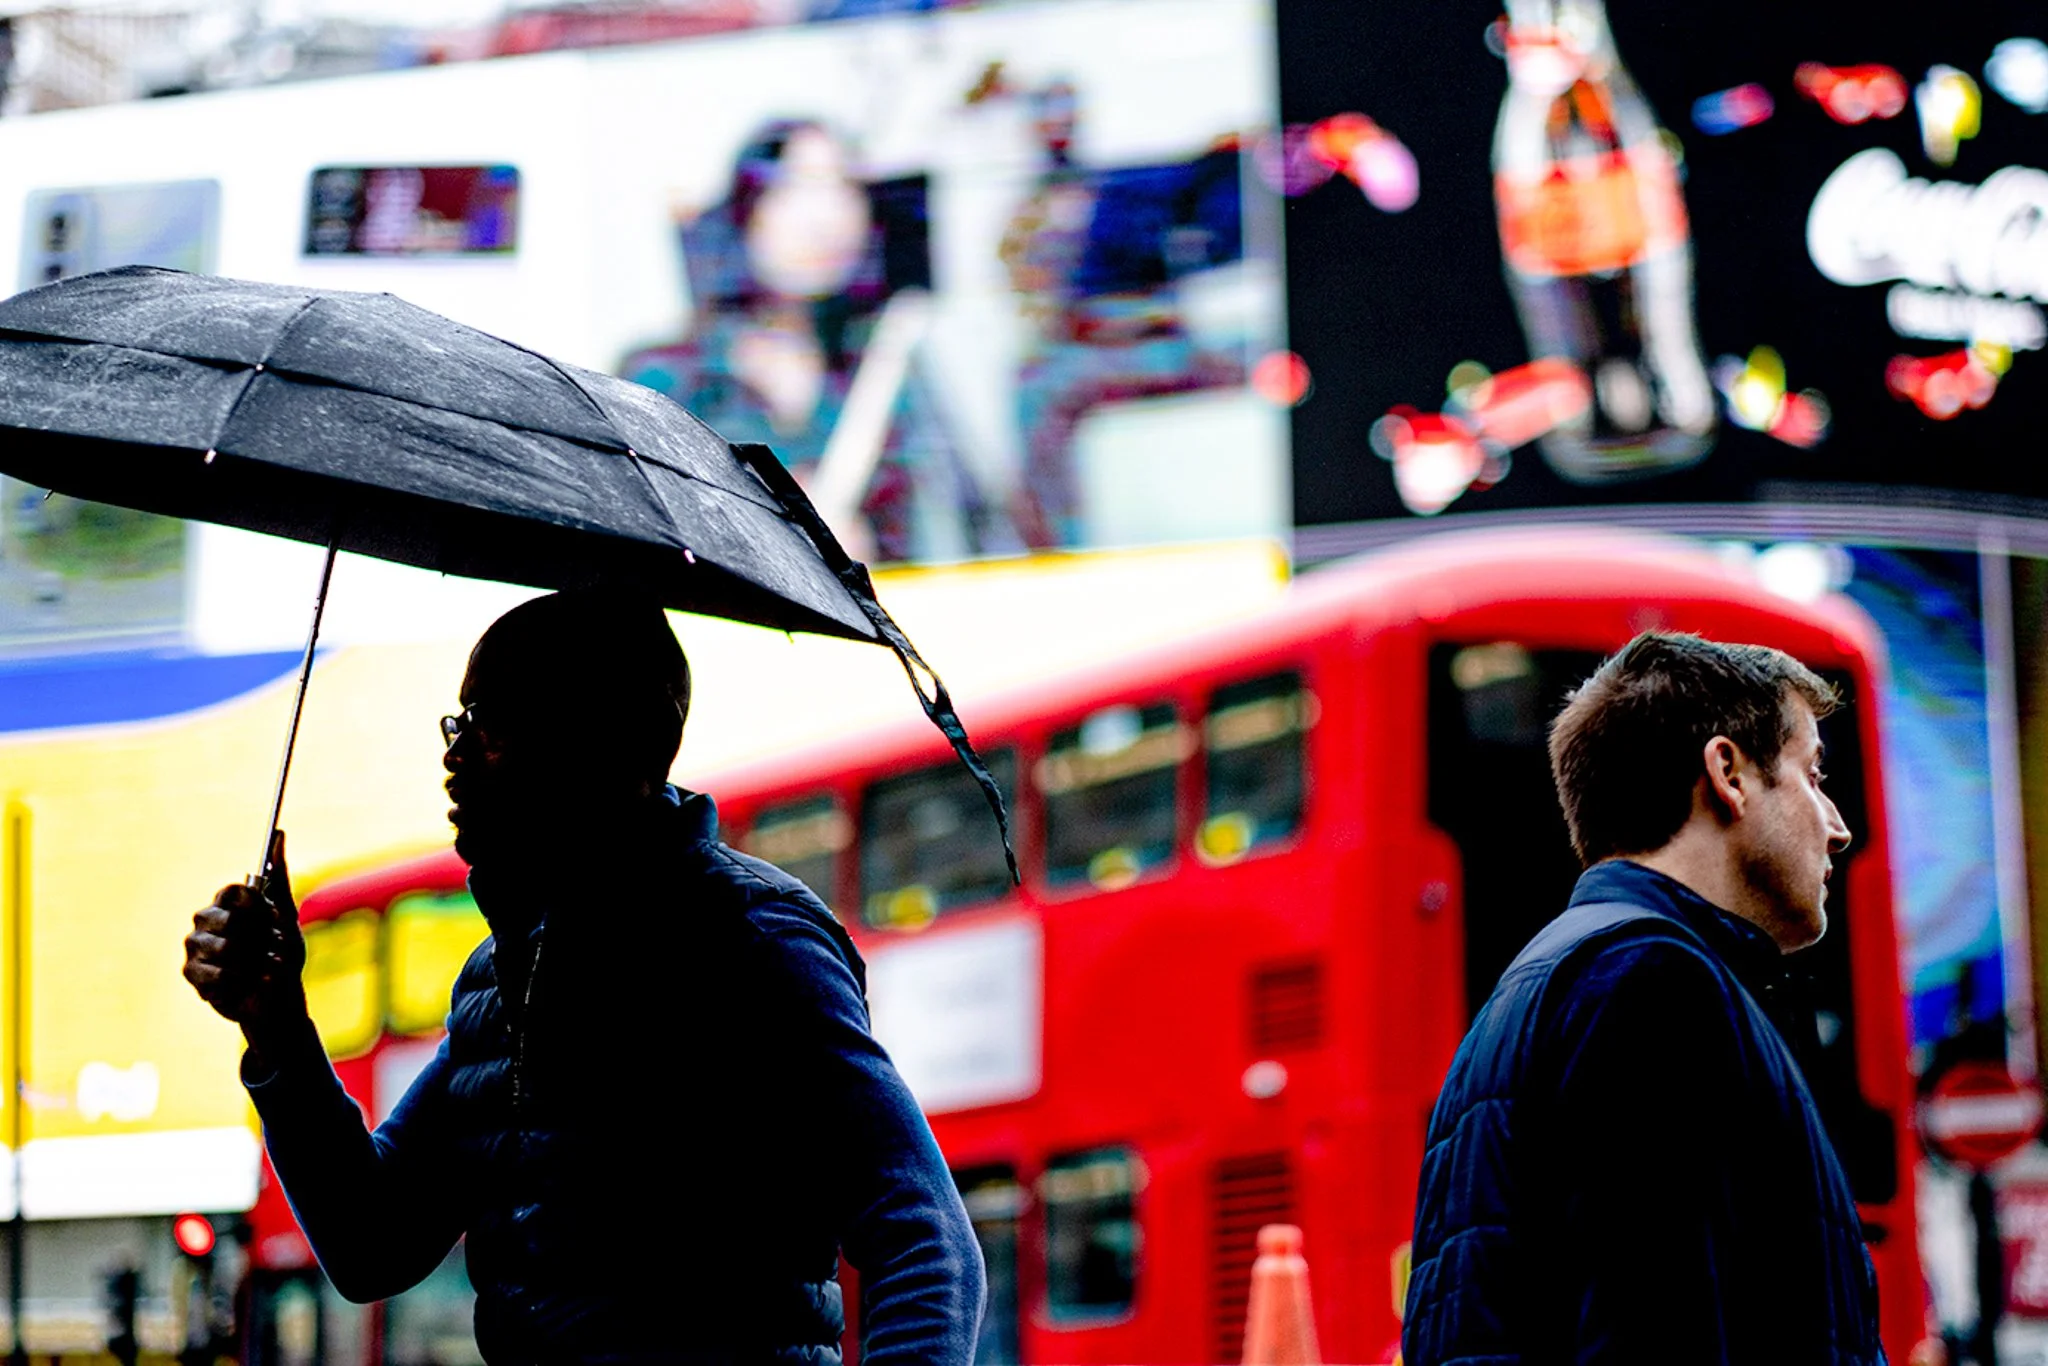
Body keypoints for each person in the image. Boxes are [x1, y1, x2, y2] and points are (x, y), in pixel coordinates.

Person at [183, 590, 985, 1366]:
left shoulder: (751, 940)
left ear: (601, 741)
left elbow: (923, 1238)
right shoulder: (497, 980)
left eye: (490, 725)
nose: (454, 758)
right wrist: (276, 1024)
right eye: (457, 724)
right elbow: (372, 1244)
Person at [1402, 631, 1882, 1366]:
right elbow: (1659, 1331)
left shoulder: (1547, 986)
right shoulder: (1651, 982)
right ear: (1729, 773)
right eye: (1811, 776)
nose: (1839, 827)